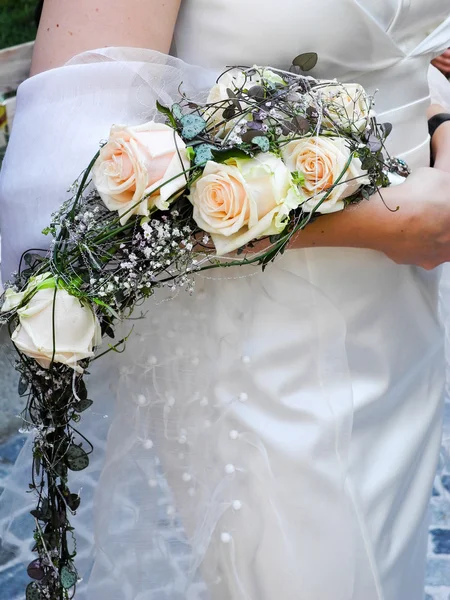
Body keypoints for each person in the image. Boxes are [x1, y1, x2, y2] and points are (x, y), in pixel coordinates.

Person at [1, 1, 450, 599]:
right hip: (264, 346)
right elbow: (60, 187)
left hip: (403, 311)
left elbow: (407, 60)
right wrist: (387, 225)